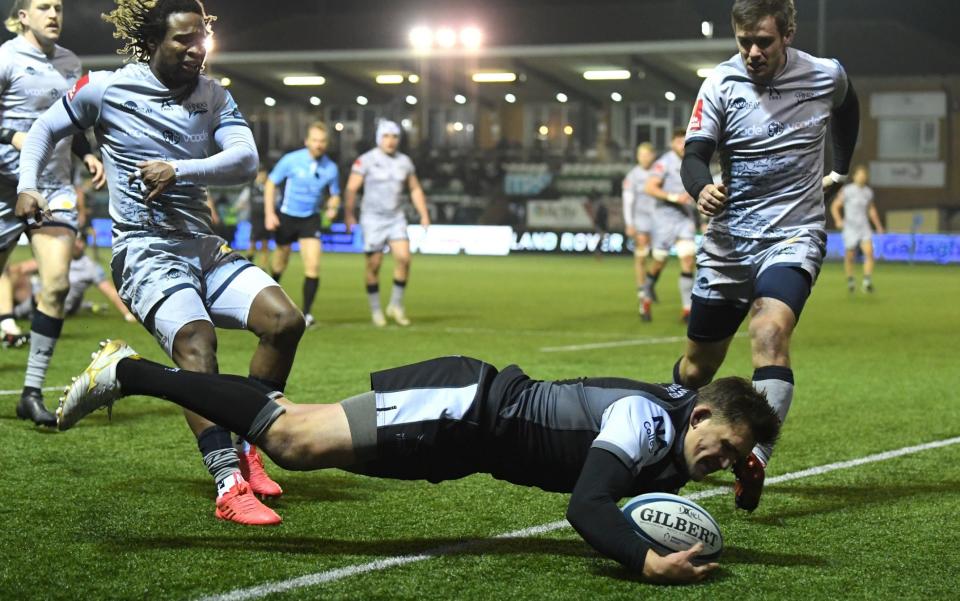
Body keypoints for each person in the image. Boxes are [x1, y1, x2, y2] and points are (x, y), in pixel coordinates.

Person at [58, 338, 780, 585]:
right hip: (462, 404)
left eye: (732, 461)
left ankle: (181, 386)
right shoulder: (645, 420)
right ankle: (129, 373)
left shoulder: (685, 429)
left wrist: (747, 472)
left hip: (462, 443)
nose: (719, 464)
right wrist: (644, 560)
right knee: (290, 437)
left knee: (296, 441)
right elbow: (586, 507)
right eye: (722, 447)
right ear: (700, 414)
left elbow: (707, 456)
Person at [16, 0, 306, 525]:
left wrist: (179, 169)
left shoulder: (213, 94)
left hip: (201, 244)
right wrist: (28, 185)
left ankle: (246, 447)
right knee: (198, 344)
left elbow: (245, 160)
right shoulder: (105, 88)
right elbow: (41, 131)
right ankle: (227, 483)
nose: (197, 48)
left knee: (285, 322)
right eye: (183, 40)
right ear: (153, 42)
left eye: (202, 37)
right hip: (144, 251)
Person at [677, 0, 859, 511]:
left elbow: (848, 107)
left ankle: (754, 457)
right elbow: (695, 153)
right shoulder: (720, 83)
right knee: (696, 369)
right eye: (744, 42)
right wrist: (701, 187)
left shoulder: (824, 75)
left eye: (764, 41)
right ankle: (668, 431)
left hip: (794, 234)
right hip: (730, 244)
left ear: (789, 34)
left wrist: (840, 169)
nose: (753, 52)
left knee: (769, 330)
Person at [0, 0, 106, 426]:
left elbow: (73, 119)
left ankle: (30, 391)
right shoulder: (6, 57)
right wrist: (14, 135)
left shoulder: (70, 61)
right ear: (23, 15)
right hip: (5, 186)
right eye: (44, 7)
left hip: (53, 188)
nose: (54, 14)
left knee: (57, 285)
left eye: (58, 7)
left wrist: (87, 153)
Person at [344, 121, 429, 327]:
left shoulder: (405, 162)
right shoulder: (366, 160)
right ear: (379, 138)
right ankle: (376, 310)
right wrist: (348, 214)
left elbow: (415, 188)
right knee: (374, 265)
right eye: (386, 136)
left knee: (404, 259)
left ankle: (396, 305)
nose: (390, 141)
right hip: (372, 218)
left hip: (396, 217)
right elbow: (352, 188)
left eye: (394, 136)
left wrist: (424, 214)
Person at [264, 122, 341, 327]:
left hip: (310, 219)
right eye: (315, 140)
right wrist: (270, 214)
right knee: (280, 263)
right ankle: (267, 305)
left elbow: (335, 194)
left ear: (327, 143)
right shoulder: (291, 160)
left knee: (313, 265)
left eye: (322, 141)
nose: (318, 144)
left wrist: (333, 207)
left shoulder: (331, 168)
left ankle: (306, 314)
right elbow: (271, 183)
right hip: (287, 216)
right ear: (307, 141)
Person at [7, 236, 136, 322]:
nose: (77, 244)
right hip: (37, 294)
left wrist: (128, 314)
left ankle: (9, 315)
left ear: (84, 244)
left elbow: (110, 292)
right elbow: (21, 268)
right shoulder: (58, 257)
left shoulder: (90, 267)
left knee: (42, 295)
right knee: (13, 273)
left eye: (80, 241)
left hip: (55, 303)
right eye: (74, 240)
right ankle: (7, 311)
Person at [644, 130, 697, 323]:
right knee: (659, 261)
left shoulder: (694, 161)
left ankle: (687, 310)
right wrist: (674, 197)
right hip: (664, 219)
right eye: (679, 141)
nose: (682, 145)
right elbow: (649, 187)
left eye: (685, 141)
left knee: (688, 260)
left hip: (684, 217)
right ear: (672, 143)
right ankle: (646, 294)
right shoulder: (663, 163)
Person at [830, 165, 883, 293]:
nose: (862, 177)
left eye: (864, 175)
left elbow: (871, 210)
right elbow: (835, 206)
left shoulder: (868, 192)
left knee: (870, 253)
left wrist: (878, 226)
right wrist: (838, 220)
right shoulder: (847, 190)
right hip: (850, 228)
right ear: (854, 176)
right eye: (860, 174)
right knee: (850, 256)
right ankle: (850, 280)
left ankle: (867, 282)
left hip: (864, 227)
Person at [622, 142, 657, 320]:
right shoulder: (633, 176)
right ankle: (643, 295)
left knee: (659, 257)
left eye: (646, 154)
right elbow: (628, 201)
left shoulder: (659, 171)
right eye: (640, 154)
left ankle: (650, 283)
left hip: (660, 221)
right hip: (641, 221)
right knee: (641, 256)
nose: (643, 158)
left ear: (653, 155)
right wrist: (630, 223)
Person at [235, 166, 271, 268]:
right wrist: (244, 208)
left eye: (264, 175)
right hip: (255, 220)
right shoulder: (250, 188)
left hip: (266, 219)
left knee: (265, 244)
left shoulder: (269, 188)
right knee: (252, 243)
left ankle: (263, 268)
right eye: (261, 174)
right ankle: (247, 265)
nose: (263, 177)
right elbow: (240, 203)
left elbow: (276, 201)